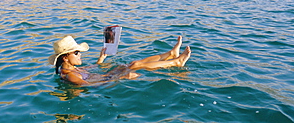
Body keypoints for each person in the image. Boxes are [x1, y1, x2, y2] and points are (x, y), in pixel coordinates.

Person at [48, 35, 191, 85]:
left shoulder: (70, 69)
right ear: (65, 57)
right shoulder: (70, 75)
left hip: (106, 76)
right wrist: (121, 77)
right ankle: (176, 62)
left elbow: (88, 71)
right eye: (77, 52)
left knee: (134, 64)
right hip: (107, 78)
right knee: (133, 67)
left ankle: (171, 54)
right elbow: (90, 86)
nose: (80, 55)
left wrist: (100, 60)